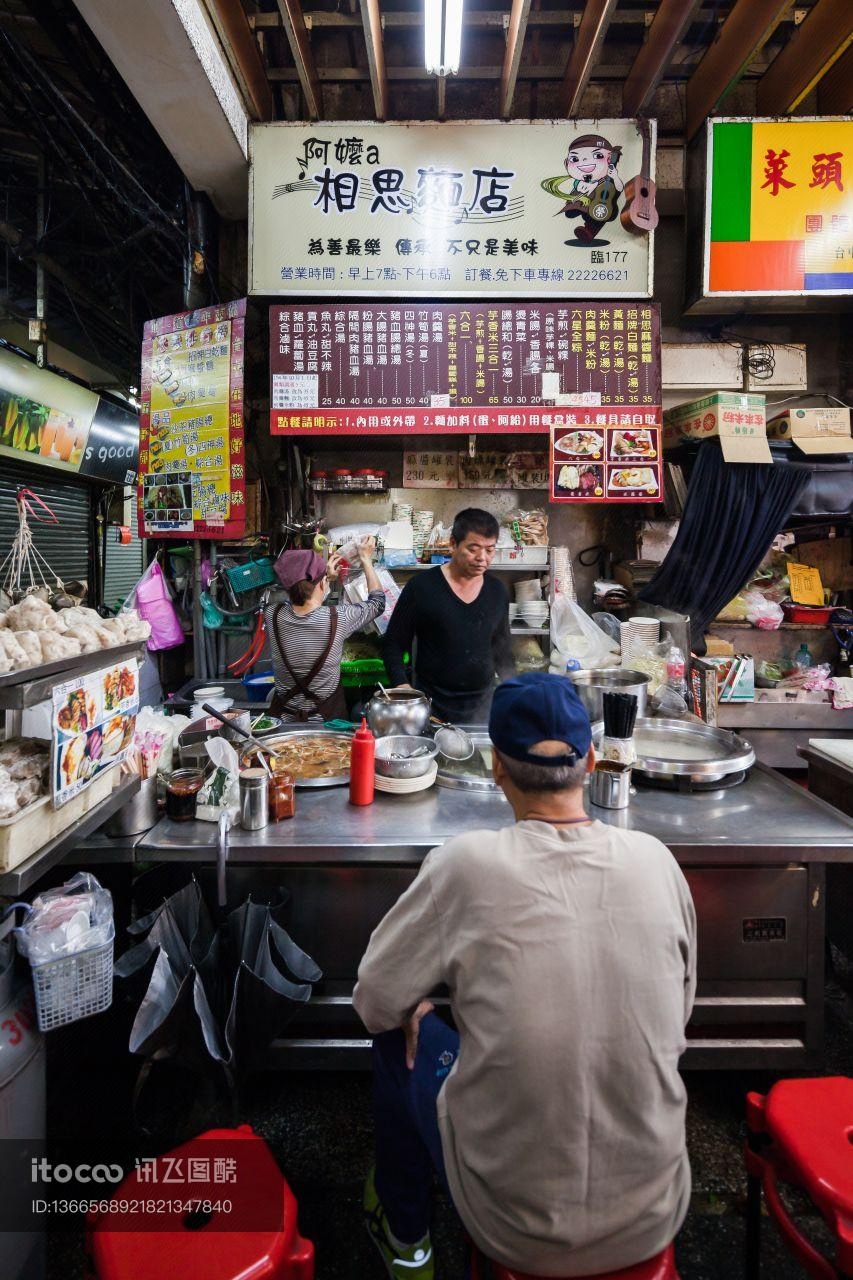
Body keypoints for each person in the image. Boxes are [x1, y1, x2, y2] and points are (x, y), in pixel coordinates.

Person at [353, 671, 696, 1280]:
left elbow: (374, 999)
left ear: (496, 769)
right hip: (655, 1211)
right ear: (591, 761)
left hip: (513, 1228)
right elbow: (682, 1001)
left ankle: (406, 1239)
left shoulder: (464, 864)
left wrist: (418, 1010)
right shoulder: (657, 861)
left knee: (395, 1030)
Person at [381, 508, 514, 724]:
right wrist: (402, 687)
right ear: (453, 544)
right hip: (432, 708)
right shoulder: (422, 588)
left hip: (483, 709)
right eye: (473, 548)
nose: (482, 558)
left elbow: (503, 651)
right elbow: (393, 644)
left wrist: (514, 690)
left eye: (490, 550)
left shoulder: (497, 591)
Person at [265, 539, 384, 722]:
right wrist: (366, 559)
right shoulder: (338, 618)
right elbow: (377, 603)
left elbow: (305, 602)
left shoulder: (273, 615)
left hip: (284, 721)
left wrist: (325, 579)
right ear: (320, 585)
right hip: (327, 724)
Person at [559, 132, 625, 244]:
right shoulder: (583, 180)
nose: (585, 162)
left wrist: (615, 176)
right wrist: (580, 185)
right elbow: (577, 184)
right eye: (575, 159)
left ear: (609, 159)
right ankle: (579, 214)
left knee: (599, 214)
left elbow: (619, 188)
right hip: (586, 202)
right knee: (575, 207)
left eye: (598, 156)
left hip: (601, 207)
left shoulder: (608, 179)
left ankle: (589, 230)